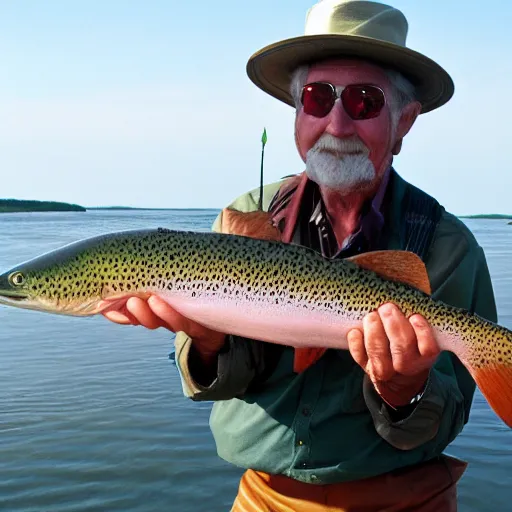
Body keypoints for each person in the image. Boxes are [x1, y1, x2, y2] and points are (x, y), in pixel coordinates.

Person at [103, 1, 497, 510]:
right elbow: (218, 385)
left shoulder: (448, 246)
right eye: (316, 99)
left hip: (407, 501)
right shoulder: (243, 219)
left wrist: (408, 391)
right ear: (296, 113)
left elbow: (446, 420)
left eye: (363, 101)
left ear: (405, 121)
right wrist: (205, 342)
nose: (336, 123)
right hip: (263, 498)